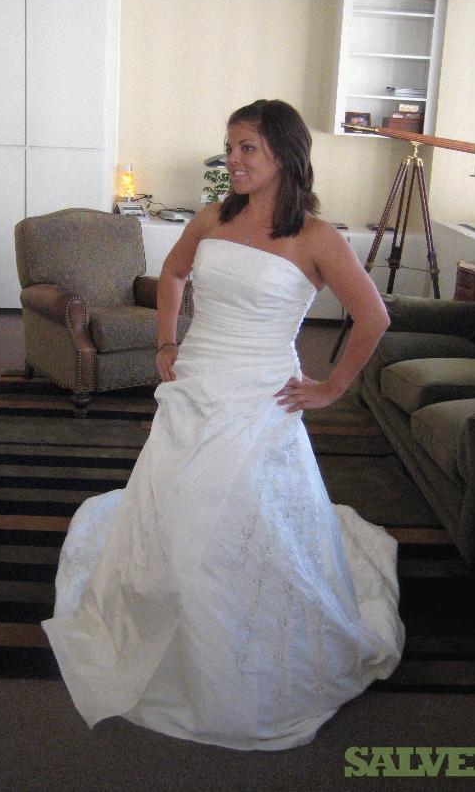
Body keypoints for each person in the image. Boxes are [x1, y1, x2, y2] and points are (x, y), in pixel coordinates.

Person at [42, 99, 405, 751]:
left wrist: (331, 387)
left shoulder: (318, 237)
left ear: (284, 156)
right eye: (231, 146)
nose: (232, 159)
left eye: (247, 149)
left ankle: (236, 628)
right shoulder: (213, 217)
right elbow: (174, 272)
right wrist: (165, 341)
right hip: (197, 381)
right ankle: (170, 612)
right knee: (175, 502)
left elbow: (373, 317)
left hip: (261, 395)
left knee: (241, 511)